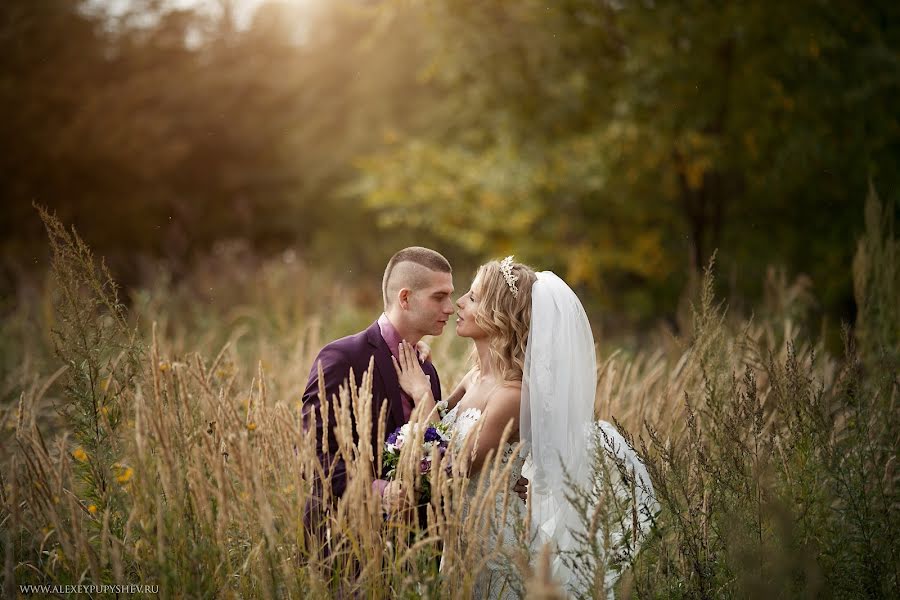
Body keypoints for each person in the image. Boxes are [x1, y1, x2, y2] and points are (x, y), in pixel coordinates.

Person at [394, 256, 656, 598]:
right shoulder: (476, 376)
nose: (459, 302)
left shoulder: (512, 395)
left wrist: (420, 391)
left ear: (498, 316)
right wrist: (417, 350)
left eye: (472, 298)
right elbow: (442, 425)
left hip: (493, 548)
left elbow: (455, 464)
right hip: (458, 542)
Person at [301, 246, 454, 532]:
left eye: (450, 295)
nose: (450, 307)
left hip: (413, 549)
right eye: (439, 297)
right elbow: (314, 455)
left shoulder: (427, 372)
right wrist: (380, 491)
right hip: (344, 544)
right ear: (405, 298)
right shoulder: (343, 358)